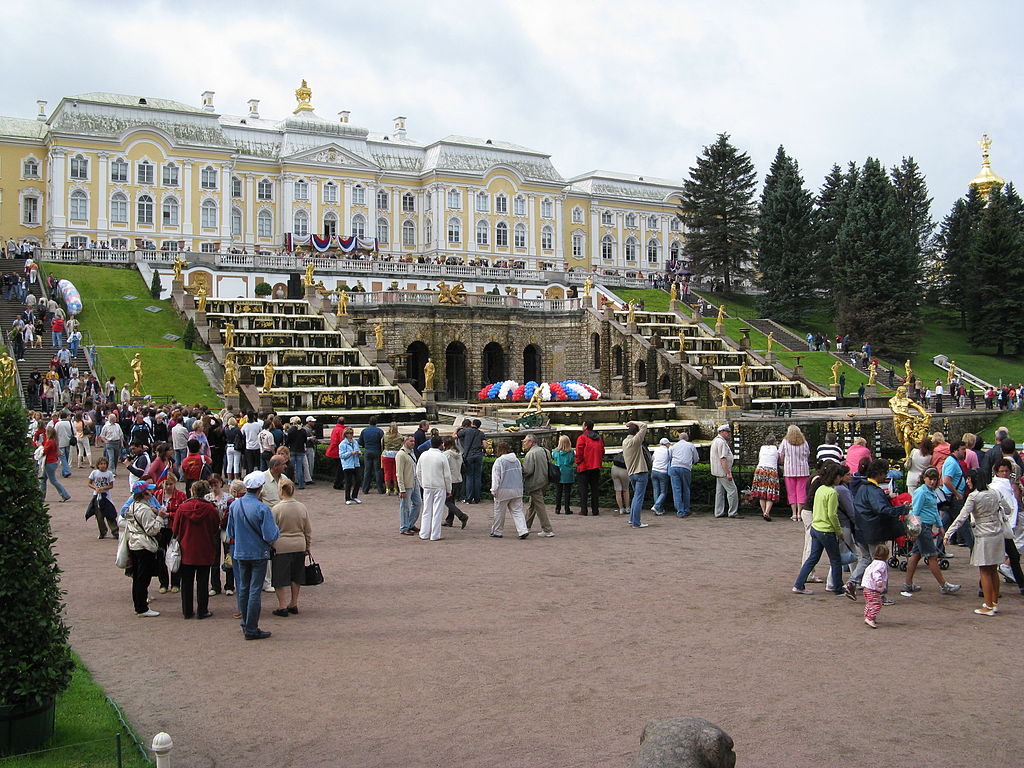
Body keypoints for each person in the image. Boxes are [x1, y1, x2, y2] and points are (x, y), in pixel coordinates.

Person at [945, 468, 1013, 616]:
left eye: (969, 479)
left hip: (983, 536)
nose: (967, 482)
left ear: (974, 480)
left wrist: (949, 533)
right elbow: (1008, 509)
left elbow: (962, 517)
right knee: (993, 569)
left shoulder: (974, 497)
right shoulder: (995, 492)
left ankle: (988, 606)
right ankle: (994, 602)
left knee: (984, 571)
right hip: (997, 533)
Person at [227, 471, 280, 640]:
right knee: (255, 590)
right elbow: (270, 535)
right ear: (260, 487)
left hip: (240, 551)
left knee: (243, 587)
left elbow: (230, 531)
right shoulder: (262, 507)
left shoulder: (235, 505)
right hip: (258, 552)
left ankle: (245, 623)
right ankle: (251, 627)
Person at [845, 459, 903, 599]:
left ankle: (852, 582)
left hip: (861, 529)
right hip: (873, 530)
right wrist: (902, 509)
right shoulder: (873, 490)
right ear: (879, 473)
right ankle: (881, 595)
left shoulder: (862, 487)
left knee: (866, 559)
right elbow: (882, 509)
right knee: (879, 563)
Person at [903, 467, 961, 595]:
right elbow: (915, 512)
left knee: (916, 555)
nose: (933, 482)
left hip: (926, 526)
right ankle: (943, 585)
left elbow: (934, 510)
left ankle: (908, 584)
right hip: (922, 527)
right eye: (930, 479)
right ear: (924, 478)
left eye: (935, 479)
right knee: (932, 556)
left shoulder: (931, 491)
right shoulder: (921, 492)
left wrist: (940, 526)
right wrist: (913, 531)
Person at [793, 461, 846, 595]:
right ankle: (838, 588)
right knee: (835, 560)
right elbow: (832, 515)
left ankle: (799, 584)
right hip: (826, 530)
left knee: (813, 557)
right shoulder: (832, 492)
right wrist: (839, 531)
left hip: (816, 527)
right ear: (835, 477)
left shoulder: (821, 488)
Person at [171, 479, 220, 620]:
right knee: (203, 581)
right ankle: (202, 610)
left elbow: (175, 529)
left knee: (186, 582)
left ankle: (187, 610)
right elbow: (215, 527)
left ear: (192, 491)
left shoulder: (182, 508)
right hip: (204, 548)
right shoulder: (211, 509)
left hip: (186, 549)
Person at [270, 478, 312, 617]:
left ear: (281, 491)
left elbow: (271, 531)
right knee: (296, 576)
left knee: (279, 577)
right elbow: (307, 530)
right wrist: (307, 546)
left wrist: (270, 545)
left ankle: (282, 605)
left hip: (281, 546)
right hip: (299, 544)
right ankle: (294, 603)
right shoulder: (302, 507)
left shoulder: (276, 509)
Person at [124, 480, 165, 617]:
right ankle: (142, 607)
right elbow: (151, 530)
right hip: (144, 545)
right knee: (143, 578)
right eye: (149, 490)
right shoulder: (144, 509)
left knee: (137, 577)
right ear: (143, 493)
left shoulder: (134, 506)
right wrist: (159, 518)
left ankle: (139, 605)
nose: (152, 493)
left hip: (135, 544)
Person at [490, 441, 530, 539]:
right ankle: (523, 530)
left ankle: (497, 531)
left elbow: (496, 477)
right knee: (517, 511)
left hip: (503, 490)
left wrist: (494, 490)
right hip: (517, 489)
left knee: (499, 512)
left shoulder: (499, 461)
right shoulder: (517, 461)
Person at [417, 435, 452, 541]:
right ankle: (435, 534)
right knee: (437, 510)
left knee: (426, 510)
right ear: (441, 444)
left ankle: (424, 533)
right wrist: (449, 489)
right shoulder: (442, 456)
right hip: (439, 486)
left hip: (427, 485)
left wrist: (422, 483)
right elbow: (447, 475)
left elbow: (418, 471)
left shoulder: (423, 455)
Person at [205, 474, 235, 596]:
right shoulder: (206, 498)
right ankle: (215, 586)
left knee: (228, 556)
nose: (214, 487)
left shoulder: (229, 497)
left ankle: (229, 586)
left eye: (216, 484)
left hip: (225, 530)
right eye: (211, 485)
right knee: (214, 558)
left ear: (221, 483)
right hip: (212, 530)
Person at [941, 440, 971, 551]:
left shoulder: (952, 461)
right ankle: (974, 549)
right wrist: (957, 493)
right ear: (955, 450)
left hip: (950, 497)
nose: (965, 452)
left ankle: (939, 550)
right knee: (963, 523)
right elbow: (946, 480)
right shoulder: (952, 463)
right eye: (963, 449)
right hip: (954, 498)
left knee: (945, 524)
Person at [521, 434, 554, 536]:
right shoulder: (545, 450)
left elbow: (527, 470)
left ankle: (547, 529)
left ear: (531, 442)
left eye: (525, 441)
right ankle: (526, 525)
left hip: (534, 483)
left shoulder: (530, 454)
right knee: (533, 504)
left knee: (539, 506)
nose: (524, 443)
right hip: (544, 481)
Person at [622, 421, 651, 528]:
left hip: (631, 473)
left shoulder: (625, 442)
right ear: (636, 433)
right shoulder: (636, 441)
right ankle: (636, 522)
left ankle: (632, 519)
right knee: (639, 498)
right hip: (640, 472)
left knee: (636, 497)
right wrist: (632, 422)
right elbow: (644, 425)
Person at [778, 425, 810, 522]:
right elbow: (808, 454)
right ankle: (800, 513)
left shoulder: (785, 442)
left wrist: (784, 462)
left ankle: (794, 513)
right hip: (803, 470)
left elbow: (781, 455)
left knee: (791, 493)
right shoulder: (804, 442)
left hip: (789, 470)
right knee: (801, 492)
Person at [575, 421, 605, 516]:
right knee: (594, 489)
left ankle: (584, 510)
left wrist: (578, 462)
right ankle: (595, 510)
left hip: (584, 466)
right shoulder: (598, 438)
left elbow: (579, 452)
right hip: (595, 466)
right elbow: (602, 451)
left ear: (586, 427)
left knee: (583, 490)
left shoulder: (582, 437)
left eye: (582, 425)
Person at [710, 424, 739, 518]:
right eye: (727, 432)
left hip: (718, 471)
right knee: (732, 491)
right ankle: (732, 512)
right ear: (721, 432)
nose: (729, 434)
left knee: (720, 492)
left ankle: (718, 512)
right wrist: (728, 473)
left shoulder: (716, 440)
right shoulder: (721, 442)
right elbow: (723, 458)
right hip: (722, 472)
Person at [669, 431, 700, 518]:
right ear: (687, 438)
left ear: (679, 438)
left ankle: (680, 511)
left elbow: (669, 457)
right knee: (686, 489)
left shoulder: (673, 446)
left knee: (676, 490)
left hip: (674, 467)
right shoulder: (691, 445)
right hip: (686, 468)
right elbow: (696, 458)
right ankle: (686, 509)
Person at [396, 435, 422, 536]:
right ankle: (404, 527)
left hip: (414, 481)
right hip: (406, 484)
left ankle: (410, 524)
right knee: (404, 506)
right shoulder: (401, 455)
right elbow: (399, 473)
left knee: (418, 503)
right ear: (405, 441)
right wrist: (401, 488)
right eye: (411, 441)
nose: (413, 443)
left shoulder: (411, 452)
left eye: (414, 441)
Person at [750, 435, 780, 522]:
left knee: (762, 492)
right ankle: (767, 512)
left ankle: (764, 512)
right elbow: (778, 460)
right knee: (770, 492)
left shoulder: (762, 448)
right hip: (772, 471)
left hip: (761, 469)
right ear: (774, 442)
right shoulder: (775, 449)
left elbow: (759, 458)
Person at [441, 435, 468, 528]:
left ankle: (462, 516)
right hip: (458, 479)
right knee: (452, 501)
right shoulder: (458, 453)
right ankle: (449, 520)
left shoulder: (446, 455)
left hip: (450, 480)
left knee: (447, 501)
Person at [86, 456, 117, 539]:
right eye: (101, 464)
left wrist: (103, 488)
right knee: (99, 515)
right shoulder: (94, 473)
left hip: (106, 497)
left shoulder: (109, 474)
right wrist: (95, 488)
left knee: (110, 514)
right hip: (97, 496)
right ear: (98, 465)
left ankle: (115, 531)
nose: (103, 465)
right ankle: (102, 531)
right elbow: (89, 483)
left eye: (104, 464)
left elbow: (111, 485)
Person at [39, 425, 71, 502]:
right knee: (43, 479)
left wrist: (40, 447)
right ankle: (41, 497)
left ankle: (65, 494)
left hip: (49, 463)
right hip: (52, 462)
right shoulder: (53, 441)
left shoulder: (49, 442)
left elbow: (44, 452)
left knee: (53, 480)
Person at [862, 544, 890, 628]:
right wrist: (878, 581)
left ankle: (868, 616)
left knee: (870, 603)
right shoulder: (881, 564)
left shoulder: (873, 562)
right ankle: (870, 618)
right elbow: (876, 572)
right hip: (872, 588)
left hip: (867, 586)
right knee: (877, 603)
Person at [458, 418, 485, 504]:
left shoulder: (466, 431)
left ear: (472, 424)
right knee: (477, 477)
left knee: (469, 476)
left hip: (469, 456)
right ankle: (477, 498)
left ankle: (468, 498)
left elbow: (456, 435)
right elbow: (485, 445)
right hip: (478, 456)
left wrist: (459, 427)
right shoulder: (481, 433)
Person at [358, 416, 385, 494]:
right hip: (377, 451)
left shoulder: (364, 431)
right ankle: (380, 489)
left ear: (369, 422)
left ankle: (365, 489)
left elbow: (360, 442)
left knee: (367, 471)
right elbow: (383, 442)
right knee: (378, 471)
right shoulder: (379, 431)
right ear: (376, 423)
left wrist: (365, 445)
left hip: (368, 451)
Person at [552, 434, 576, 515]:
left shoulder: (555, 452)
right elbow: (572, 461)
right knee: (567, 492)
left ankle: (557, 509)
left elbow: (553, 458)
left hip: (558, 472)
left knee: (558, 491)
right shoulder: (571, 452)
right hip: (568, 472)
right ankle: (567, 509)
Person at [338, 426, 362, 504]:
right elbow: (341, 455)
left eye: (351, 433)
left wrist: (359, 453)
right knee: (349, 482)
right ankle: (347, 498)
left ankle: (354, 496)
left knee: (358, 480)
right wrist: (350, 453)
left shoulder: (355, 442)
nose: (350, 435)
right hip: (348, 465)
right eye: (348, 433)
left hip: (356, 463)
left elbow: (359, 451)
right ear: (345, 434)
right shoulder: (342, 444)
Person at [650, 437, 671, 515]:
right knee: (663, 492)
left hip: (654, 471)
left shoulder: (656, 450)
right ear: (666, 444)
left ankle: (658, 510)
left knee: (656, 490)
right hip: (663, 472)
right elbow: (670, 460)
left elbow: (652, 459)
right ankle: (656, 506)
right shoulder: (668, 451)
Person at [381, 422, 403, 496]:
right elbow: (401, 446)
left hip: (386, 455)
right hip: (396, 455)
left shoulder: (385, 436)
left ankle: (388, 489)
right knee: (396, 473)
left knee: (387, 473)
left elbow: (382, 445)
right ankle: (396, 489)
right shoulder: (400, 436)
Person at [326, 417, 346, 491]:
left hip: (333, 450)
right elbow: (342, 441)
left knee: (338, 469)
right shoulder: (341, 430)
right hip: (337, 451)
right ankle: (338, 484)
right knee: (340, 469)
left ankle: (338, 483)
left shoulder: (335, 429)